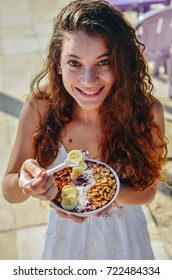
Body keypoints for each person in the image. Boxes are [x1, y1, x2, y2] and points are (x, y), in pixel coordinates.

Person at [2, 0, 168, 260]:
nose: (88, 81)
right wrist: (26, 184)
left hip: (125, 243)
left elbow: (147, 192)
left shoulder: (146, 112)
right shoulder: (41, 105)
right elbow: (9, 188)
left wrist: (104, 196)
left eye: (103, 62)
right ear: (58, 63)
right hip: (66, 245)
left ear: (121, 62)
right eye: (74, 63)